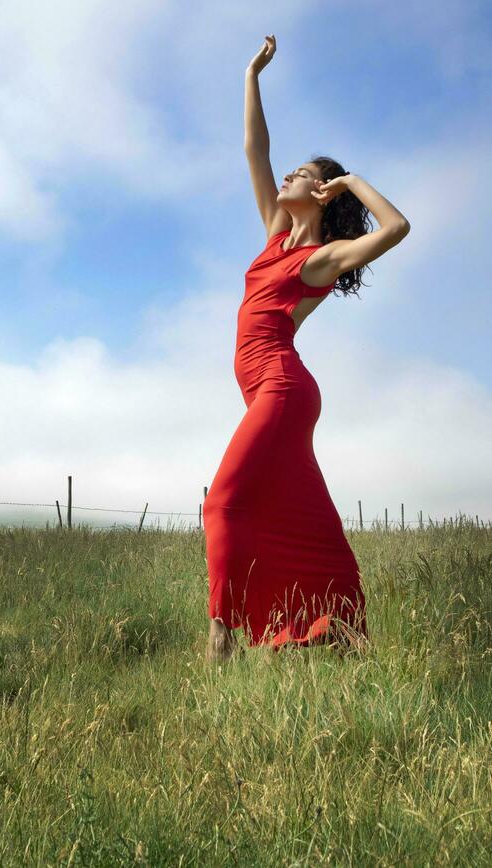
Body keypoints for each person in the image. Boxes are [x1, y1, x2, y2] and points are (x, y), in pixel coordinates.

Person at [204, 34, 411, 662]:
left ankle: (222, 640)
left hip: (282, 388)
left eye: (306, 175)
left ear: (322, 195)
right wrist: (251, 76)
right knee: (298, 516)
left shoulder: (319, 260)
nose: (290, 174)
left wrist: (350, 181)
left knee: (224, 503)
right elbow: (255, 148)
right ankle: (330, 629)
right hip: (263, 389)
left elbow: (397, 228)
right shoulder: (275, 236)